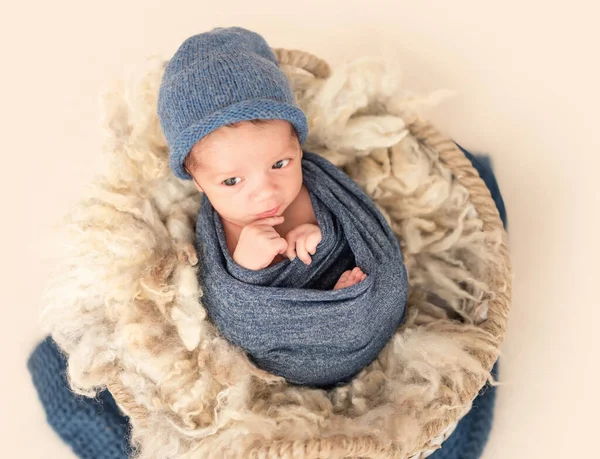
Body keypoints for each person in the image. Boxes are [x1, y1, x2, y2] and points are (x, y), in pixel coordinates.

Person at [157, 26, 408, 388]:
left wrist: (320, 236)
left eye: (280, 164)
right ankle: (339, 315)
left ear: (298, 146)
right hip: (293, 347)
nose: (266, 193)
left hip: (370, 307)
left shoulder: (319, 180)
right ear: (198, 183)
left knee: (385, 285)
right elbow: (232, 308)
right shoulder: (219, 228)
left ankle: (345, 311)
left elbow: (362, 226)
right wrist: (248, 267)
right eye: (232, 181)